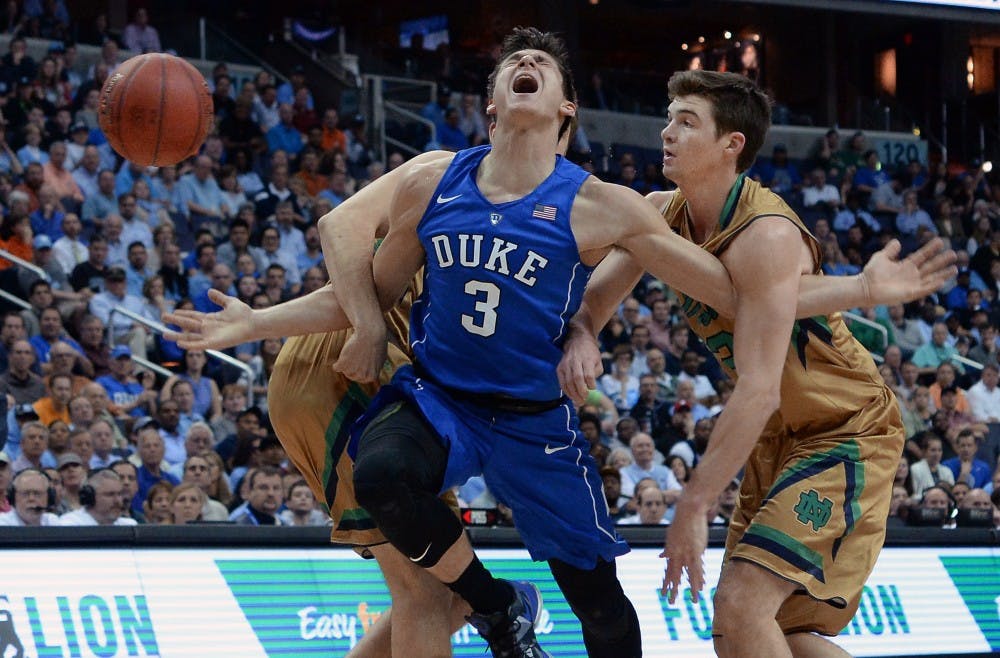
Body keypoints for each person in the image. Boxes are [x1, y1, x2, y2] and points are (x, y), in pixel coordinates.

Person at [165, 31, 953, 658]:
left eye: (543, 62)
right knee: (383, 475)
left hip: (538, 420)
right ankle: (496, 601)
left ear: (567, 108)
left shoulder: (609, 207)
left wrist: (858, 290)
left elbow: (744, 294)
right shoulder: (439, 181)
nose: (528, 65)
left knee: (605, 603)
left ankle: (514, 602)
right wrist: (254, 323)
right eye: (514, 62)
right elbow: (363, 289)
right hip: (441, 399)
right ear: (493, 104)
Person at [557, 69, 956, 657]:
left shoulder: (766, 233)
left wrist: (692, 505)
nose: (666, 132)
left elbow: (760, 389)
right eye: (669, 118)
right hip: (779, 440)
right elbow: (596, 298)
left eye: (686, 122)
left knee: (745, 608)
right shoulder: (659, 213)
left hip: (843, 431)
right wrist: (584, 334)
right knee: (755, 633)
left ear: (731, 145)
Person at [57, 468, 137, 526]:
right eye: (110, 494)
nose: (117, 500)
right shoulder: (69, 524)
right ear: (90, 496)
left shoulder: (129, 525)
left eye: (119, 494)